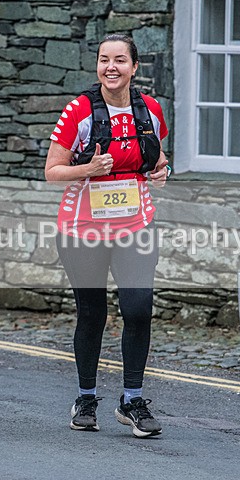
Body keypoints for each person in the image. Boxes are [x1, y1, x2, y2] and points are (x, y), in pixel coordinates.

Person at [44, 34, 170, 438]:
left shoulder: (150, 109)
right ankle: (86, 398)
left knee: (138, 308)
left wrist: (161, 171)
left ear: (134, 67)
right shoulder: (78, 111)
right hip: (82, 227)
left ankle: (132, 400)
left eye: (119, 60)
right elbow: (52, 171)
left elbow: (157, 156)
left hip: (135, 223)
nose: (110, 67)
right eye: (103, 60)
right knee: (93, 312)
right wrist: (88, 170)